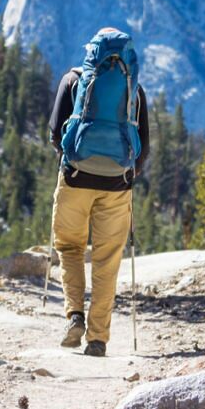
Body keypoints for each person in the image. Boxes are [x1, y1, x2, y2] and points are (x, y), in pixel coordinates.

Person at [47, 27, 150, 357]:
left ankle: (74, 315)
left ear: (92, 53)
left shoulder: (73, 80)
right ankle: (97, 339)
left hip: (75, 178)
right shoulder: (135, 91)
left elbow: (55, 134)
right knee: (107, 260)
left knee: (70, 247)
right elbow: (143, 148)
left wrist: (69, 161)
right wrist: (126, 174)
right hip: (117, 184)